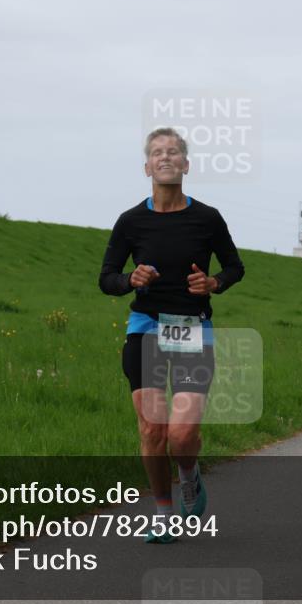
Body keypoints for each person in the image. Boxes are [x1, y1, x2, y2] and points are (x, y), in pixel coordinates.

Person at [99, 127, 245, 543]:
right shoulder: (130, 222)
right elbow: (106, 278)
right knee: (152, 429)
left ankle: (189, 474)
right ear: (147, 166)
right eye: (157, 153)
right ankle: (163, 512)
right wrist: (130, 278)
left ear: (185, 164)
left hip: (193, 330)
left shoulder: (207, 218)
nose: (165, 157)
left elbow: (235, 267)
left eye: (174, 152)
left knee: (181, 435)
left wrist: (214, 284)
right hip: (144, 328)